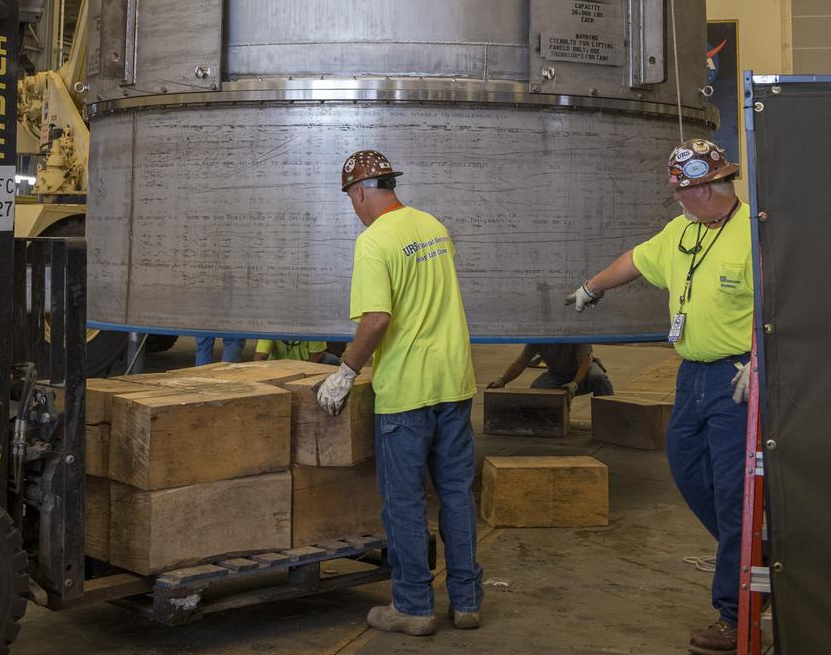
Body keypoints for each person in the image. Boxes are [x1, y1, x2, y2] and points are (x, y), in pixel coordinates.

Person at [566, 139, 752, 655]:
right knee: (689, 471)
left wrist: (762, 361)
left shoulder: (755, 234)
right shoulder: (682, 230)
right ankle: (756, 557)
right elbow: (636, 259)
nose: (678, 201)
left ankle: (738, 615)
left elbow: (789, 301)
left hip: (736, 378)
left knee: (736, 494)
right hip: (692, 375)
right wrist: (593, 287)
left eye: (685, 192)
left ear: (712, 187)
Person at [317, 149, 482, 637]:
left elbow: (377, 318)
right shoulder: (433, 226)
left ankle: (413, 606)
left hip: (407, 392)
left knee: (406, 502)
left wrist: (344, 371)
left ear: (361, 192)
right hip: (454, 381)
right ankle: (467, 602)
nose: (353, 205)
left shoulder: (374, 242)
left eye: (351, 197)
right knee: (455, 493)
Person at [488, 342, 614, 398]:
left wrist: (574, 384)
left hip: (584, 373)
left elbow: (584, 364)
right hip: (557, 375)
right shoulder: (539, 339)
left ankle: (610, 414)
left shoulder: (576, 335)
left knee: (599, 378)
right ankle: (552, 420)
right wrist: (502, 380)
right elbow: (521, 362)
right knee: (537, 389)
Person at [254, 337, 339, 365]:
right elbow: (260, 357)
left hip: (305, 366)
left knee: (331, 360)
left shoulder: (313, 325)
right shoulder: (271, 325)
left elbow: (316, 356)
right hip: (278, 367)